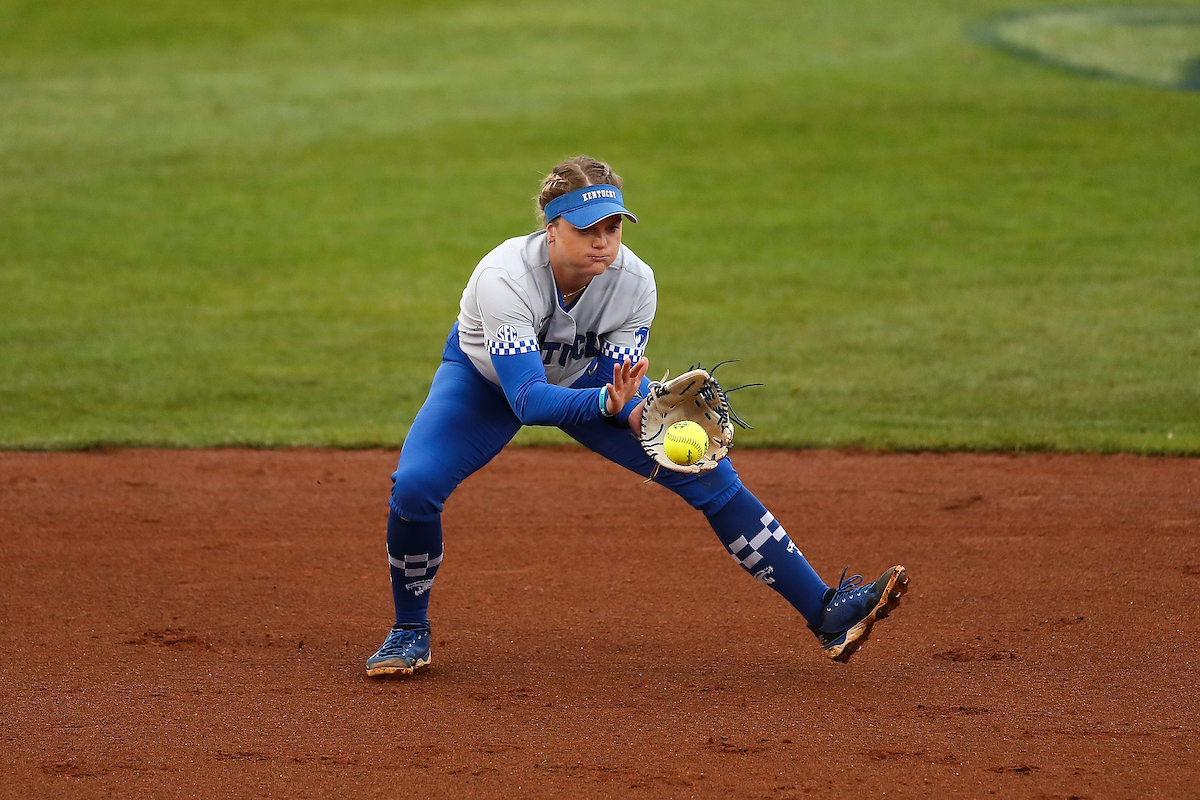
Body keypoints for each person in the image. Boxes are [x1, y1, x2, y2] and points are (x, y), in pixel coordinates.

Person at [366, 156, 907, 676]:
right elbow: (527, 400)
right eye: (587, 229)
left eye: (614, 227)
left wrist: (635, 414)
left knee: (712, 479)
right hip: (485, 385)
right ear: (552, 229)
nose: (603, 241)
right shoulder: (504, 277)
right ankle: (409, 629)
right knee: (415, 487)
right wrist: (608, 403)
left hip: (592, 381)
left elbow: (619, 385)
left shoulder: (635, 281)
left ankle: (827, 613)